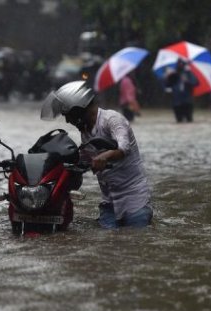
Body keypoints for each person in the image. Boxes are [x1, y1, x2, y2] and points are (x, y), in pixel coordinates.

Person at [40, 80, 153, 229]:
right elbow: (82, 159)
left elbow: (124, 148)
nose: (67, 120)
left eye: (69, 115)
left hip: (135, 201)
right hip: (109, 205)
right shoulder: (86, 132)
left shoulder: (112, 120)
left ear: (79, 109)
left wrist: (104, 157)